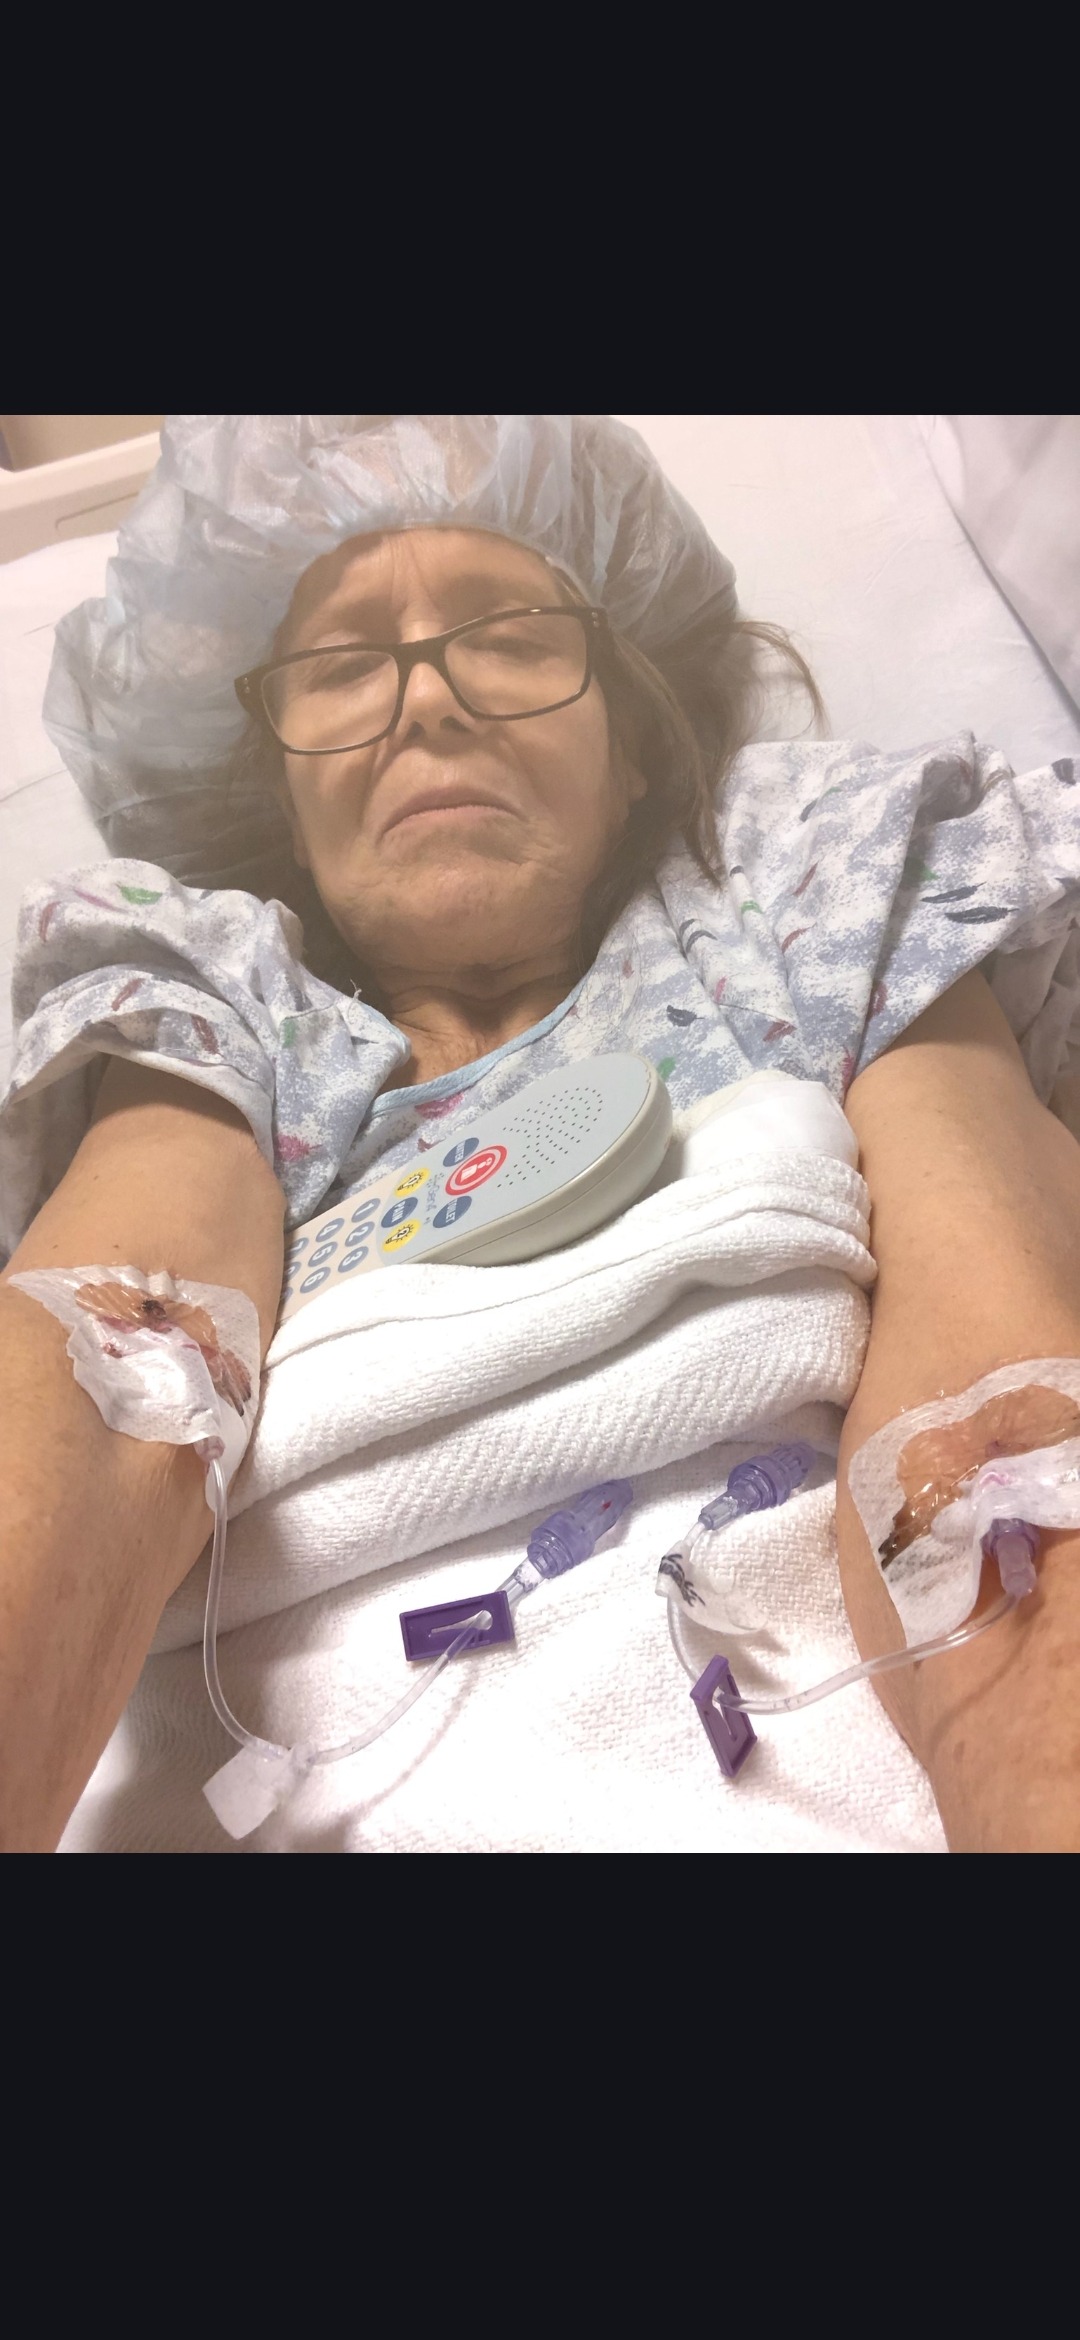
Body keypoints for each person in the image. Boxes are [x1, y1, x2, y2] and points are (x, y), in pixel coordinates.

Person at [2, 415, 1079, 1854]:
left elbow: (998, 1365)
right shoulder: (225, 1009)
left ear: (628, 744)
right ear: (284, 801)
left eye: (508, 635)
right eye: (342, 666)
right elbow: (106, 1377)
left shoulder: (797, 886)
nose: (423, 701)